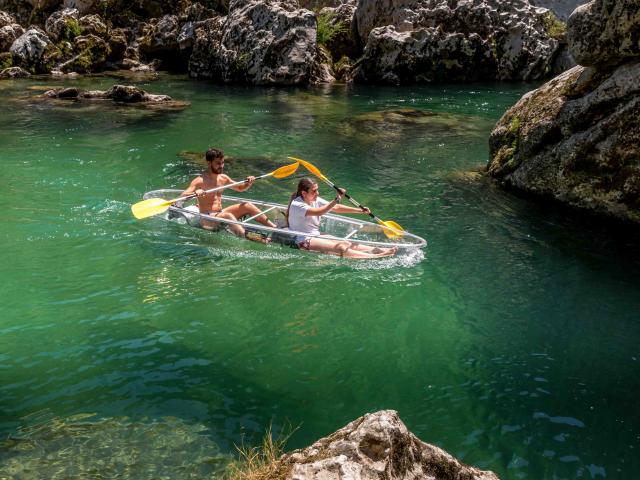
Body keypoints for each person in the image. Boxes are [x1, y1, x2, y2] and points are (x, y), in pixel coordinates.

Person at [180, 148, 276, 241]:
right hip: (207, 219)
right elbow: (183, 196)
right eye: (218, 163)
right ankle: (256, 238)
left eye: (222, 162)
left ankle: (276, 230)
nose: (221, 166)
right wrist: (195, 193)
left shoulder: (223, 178)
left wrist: (248, 183)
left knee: (247, 205)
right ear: (209, 163)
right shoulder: (199, 181)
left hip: (220, 213)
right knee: (228, 216)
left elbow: (240, 188)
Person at [286, 178, 397, 258]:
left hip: (314, 235)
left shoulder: (313, 199)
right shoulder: (297, 205)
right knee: (341, 247)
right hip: (301, 240)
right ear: (304, 193)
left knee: (346, 242)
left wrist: (360, 210)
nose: (317, 193)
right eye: (314, 191)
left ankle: (379, 250)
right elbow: (320, 212)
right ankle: (378, 256)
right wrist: (337, 198)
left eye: (317, 189)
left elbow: (336, 207)